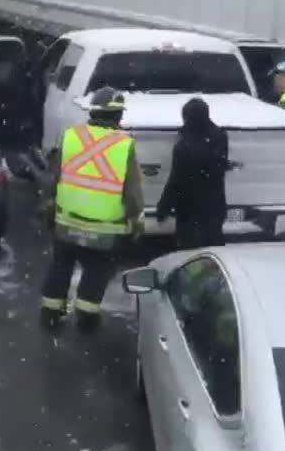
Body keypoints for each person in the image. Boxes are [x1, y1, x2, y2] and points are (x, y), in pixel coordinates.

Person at [39, 87, 145, 332]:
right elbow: (133, 192)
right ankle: (86, 318)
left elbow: (53, 177)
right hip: (105, 228)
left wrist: (46, 204)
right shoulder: (124, 145)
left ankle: (50, 313)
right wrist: (136, 220)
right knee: (96, 271)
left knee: (60, 265)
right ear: (118, 116)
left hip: (67, 221)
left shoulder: (71, 136)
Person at [155, 97, 230, 250]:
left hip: (188, 207)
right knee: (212, 246)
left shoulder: (185, 143)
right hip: (214, 205)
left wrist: (164, 206)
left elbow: (176, 178)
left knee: (188, 250)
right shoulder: (220, 137)